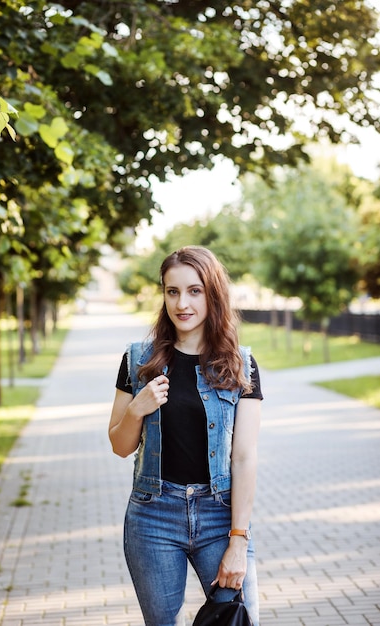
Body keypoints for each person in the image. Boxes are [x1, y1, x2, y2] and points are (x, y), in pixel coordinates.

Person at [109, 246, 263, 626]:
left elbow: (243, 458)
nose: (182, 303)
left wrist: (238, 540)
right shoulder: (138, 359)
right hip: (154, 517)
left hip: (219, 516)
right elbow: (119, 446)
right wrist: (137, 408)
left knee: (242, 618)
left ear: (212, 294)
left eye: (194, 291)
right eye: (172, 291)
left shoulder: (240, 365)